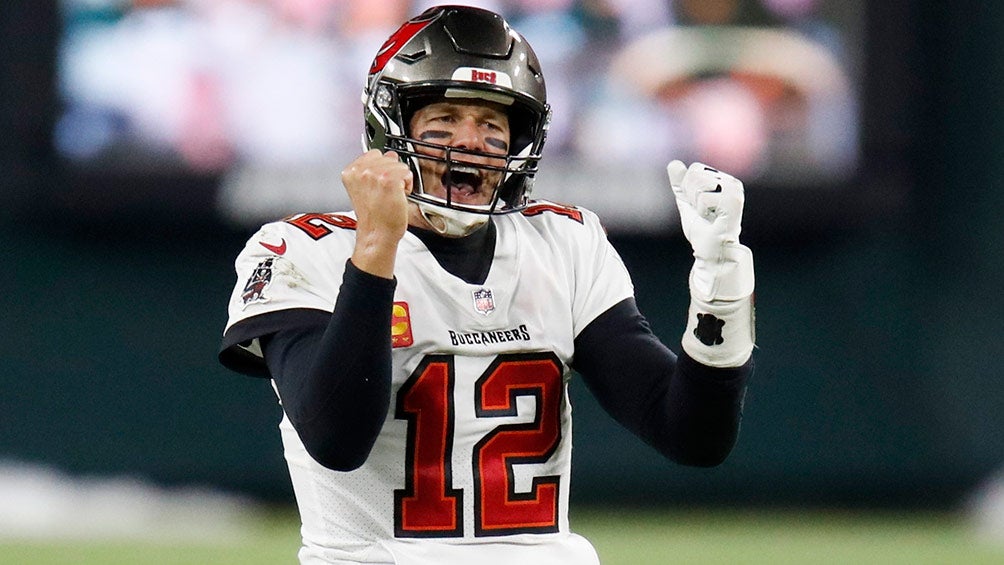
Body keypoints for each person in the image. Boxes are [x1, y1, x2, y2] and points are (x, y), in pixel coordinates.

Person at [218, 5, 755, 564]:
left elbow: (691, 435)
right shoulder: (305, 250)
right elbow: (337, 439)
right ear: (390, 130)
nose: (470, 142)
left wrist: (722, 288)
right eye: (444, 121)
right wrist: (377, 247)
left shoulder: (563, 243)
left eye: (492, 125)